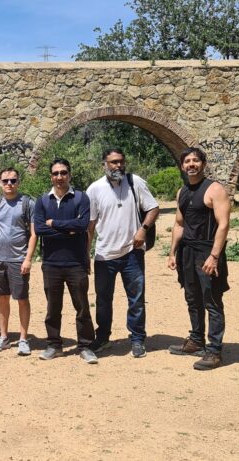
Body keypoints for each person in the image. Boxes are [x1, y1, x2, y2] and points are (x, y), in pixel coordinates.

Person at [86, 148, 160, 359]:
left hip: (132, 253)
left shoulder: (135, 182)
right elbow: (90, 225)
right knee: (103, 299)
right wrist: (86, 255)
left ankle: (137, 339)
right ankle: (103, 337)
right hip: (104, 254)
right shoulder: (95, 189)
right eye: (113, 162)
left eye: (120, 161)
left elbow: (153, 208)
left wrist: (143, 230)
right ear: (104, 164)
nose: (118, 165)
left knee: (136, 299)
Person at [167, 147, 231, 371]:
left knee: (211, 301)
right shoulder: (182, 191)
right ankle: (196, 340)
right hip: (187, 252)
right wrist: (172, 252)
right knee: (192, 298)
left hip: (207, 252)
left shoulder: (215, 190)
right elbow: (179, 224)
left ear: (203, 164)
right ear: (183, 166)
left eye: (195, 160)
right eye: (187, 161)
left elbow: (223, 224)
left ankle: (214, 351)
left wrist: (214, 256)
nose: (191, 164)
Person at [33, 158, 98, 364]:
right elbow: (40, 229)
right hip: (51, 263)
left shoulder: (81, 198)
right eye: (55, 173)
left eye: (63, 173)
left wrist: (54, 224)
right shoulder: (43, 201)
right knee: (53, 307)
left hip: (76, 263)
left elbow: (82, 225)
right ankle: (54, 344)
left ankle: (85, 346)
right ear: (50, 176)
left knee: (82, 306)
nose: (59, 177)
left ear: (69, 174)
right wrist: (66, 229)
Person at [0, 168, 37, 355]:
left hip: (18, 259)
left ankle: (23, 339)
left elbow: (33, 234)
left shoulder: (28, 203)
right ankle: (4, 337)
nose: (9, 184)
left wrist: (28, 258)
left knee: (22, 299)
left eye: (13, 180)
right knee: (2, 298)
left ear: (18, 182)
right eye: (5, 181)